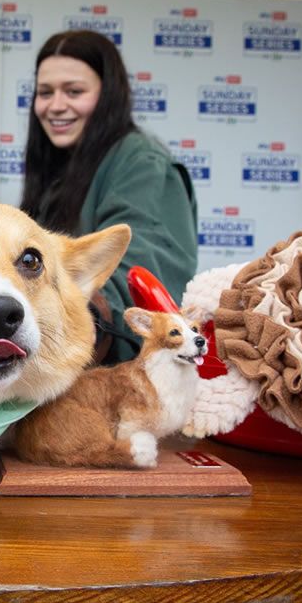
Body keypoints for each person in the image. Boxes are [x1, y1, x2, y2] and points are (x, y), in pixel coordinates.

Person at [21, 29, 198, 364]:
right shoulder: (61, 168)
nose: (56, 106)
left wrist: (82, 314)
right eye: (45, 92)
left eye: (74, 91)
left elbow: (139, 277)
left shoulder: (144, 165)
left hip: (120, 387)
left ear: (108, 96)